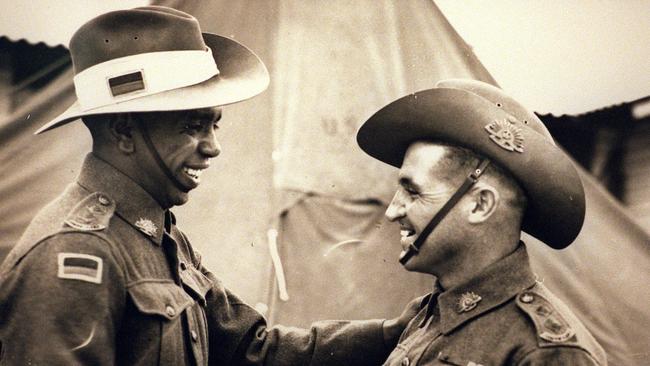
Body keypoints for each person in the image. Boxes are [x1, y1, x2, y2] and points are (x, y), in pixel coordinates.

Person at [0, 6, 417, 365]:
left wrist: (393, 332)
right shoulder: (73, 254)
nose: (213, 147)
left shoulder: (161, 233)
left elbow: (252, 349)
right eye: (193, 126)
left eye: (214, 125)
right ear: (124, 130)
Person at [356, 79, 608, 365]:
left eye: (413, 191)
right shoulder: (431, 314)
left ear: (480, 204)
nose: (392, 211)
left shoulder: (547, 352)